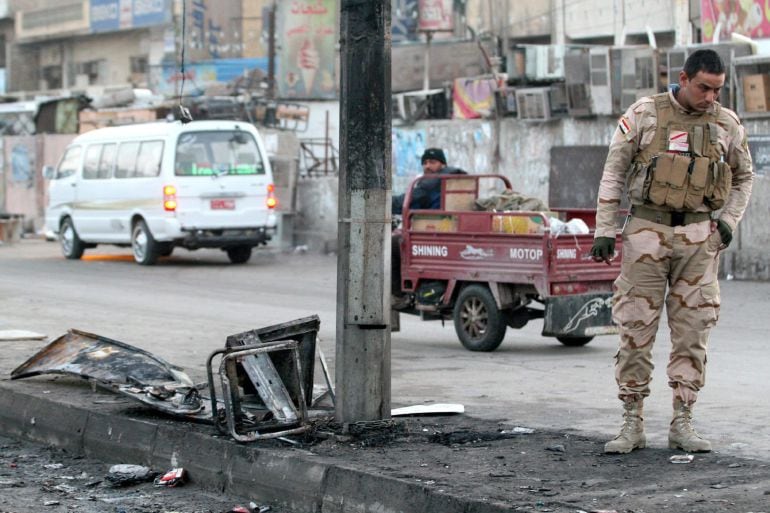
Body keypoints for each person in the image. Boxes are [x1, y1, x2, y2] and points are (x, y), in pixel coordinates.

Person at [591, 49, 753, 454]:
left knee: (693, 332)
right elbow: (614, 169)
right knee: (634, 328)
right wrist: (605, 229)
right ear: (683, 78)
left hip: (699, 239)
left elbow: (744, 177)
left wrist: (728, 222)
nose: (711, 96)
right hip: (647, 233)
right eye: (703, 87)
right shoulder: (646, 114)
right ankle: (632, 422)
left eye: (717, 89)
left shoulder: (726, 124)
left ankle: (683, 421)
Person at [391, 148, 465, 309]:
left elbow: (408, 201)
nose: (427, 166)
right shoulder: (457, 177)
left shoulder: (431, 182)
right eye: (424, 163)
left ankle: (398, 296)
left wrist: (383, 202)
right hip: (451, 231)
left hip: (433, 233)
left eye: (432, 162)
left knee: (392, 245)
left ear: (442, 164)